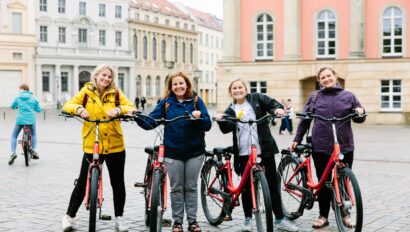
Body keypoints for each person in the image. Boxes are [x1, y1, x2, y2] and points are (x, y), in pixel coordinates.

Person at [215, 79, 298, 232]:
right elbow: (226, 128)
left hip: (264, 150)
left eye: (240, 87)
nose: (237, 90)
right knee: (246, 188)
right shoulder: (231, 109)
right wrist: (221, 119)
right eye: (234, 88)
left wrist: (278, 110)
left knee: (272, 186)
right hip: (243, 154)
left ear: (246, 89)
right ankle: (248, 219)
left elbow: (273, 104)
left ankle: (279, 219)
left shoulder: (258, 98)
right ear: (230, 92)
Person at [61, 64, 135, 232]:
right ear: (96, 76)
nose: (106, 79)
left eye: (109, 76)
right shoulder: (86, 92)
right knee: (82, 182)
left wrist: (118, 109)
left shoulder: (116, 93)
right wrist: (79, 109)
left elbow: (131, 107)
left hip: (115, 144)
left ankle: (119, 218)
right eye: (103, 75)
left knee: (118, 182)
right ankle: (69, 217)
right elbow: (67, 105)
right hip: (92, 143)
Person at [135, 71, 211, 232]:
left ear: (187, 84)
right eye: (175, 84)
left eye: (181, 83)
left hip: (195, 152)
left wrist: (200, 117)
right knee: (176, 187)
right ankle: (177, 222)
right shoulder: (166, 103)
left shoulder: (196, 101)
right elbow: (150, 123)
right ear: (171, 87)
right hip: (172, 152)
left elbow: (208, 125)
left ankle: (193, 222)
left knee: (190, 187)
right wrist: (136, 115)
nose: (178, 86)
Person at [290, 67, 366, 229]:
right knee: (324, 182)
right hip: (321, 146)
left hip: (344, 145)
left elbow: (359, 118)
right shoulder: (315, 96)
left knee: (343, 181)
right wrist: (297, 138)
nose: (326, 79)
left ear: (335, 76)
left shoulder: (348, 96)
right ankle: (323, 216)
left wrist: (361, 111)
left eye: (329, 76)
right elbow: (305, 120)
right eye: (322, 77)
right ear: (320, 81)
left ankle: (345, 214)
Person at [8, 84, 42, 165]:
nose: (19, 90)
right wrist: (36, 108)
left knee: (14, 136)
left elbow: (12, 106)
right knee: (33, 134)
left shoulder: (18, 98)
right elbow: (39, 110)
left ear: (22, 89)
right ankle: (33, 150)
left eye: (20, 89)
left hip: (20, 120)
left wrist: (16, 107)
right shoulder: (34, 98)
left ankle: (13, 153)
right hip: (31, 120)